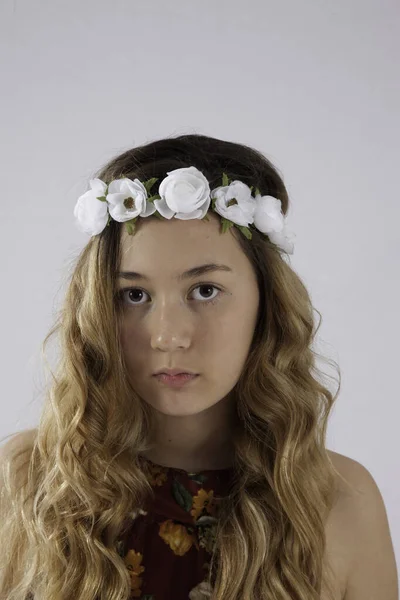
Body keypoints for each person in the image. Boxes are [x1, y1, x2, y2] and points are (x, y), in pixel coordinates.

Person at [0, 134, 397, 600]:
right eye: (134, 295)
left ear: (266, 304)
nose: (168, 335)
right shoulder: (28, 483)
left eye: (205, 290)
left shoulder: (341, 503)